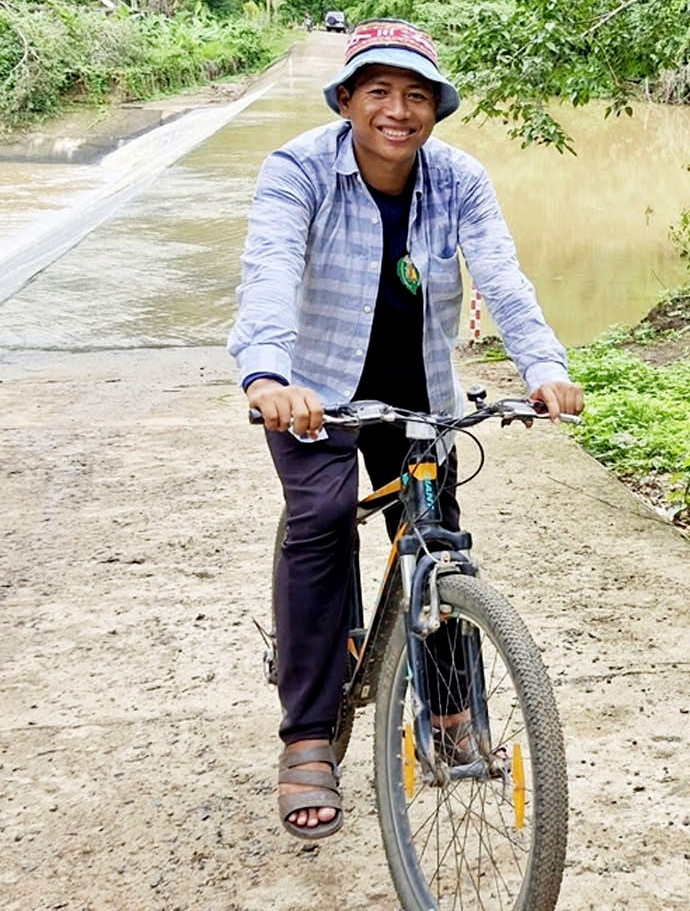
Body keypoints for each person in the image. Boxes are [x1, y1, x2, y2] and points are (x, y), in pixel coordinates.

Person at [227, 18, 584, 841]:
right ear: (347, 99)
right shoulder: (299, 169)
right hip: (314, 385)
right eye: (379, 92)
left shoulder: (458, 179)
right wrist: (269, 375)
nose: (398, 110)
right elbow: (270, 269)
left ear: (436, 109)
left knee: (436, 537)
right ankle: (309, 734)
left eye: (416, 95)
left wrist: (542, 366)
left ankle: (454, 711)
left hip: (418, 383)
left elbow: (501, 268)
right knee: (319, 524)